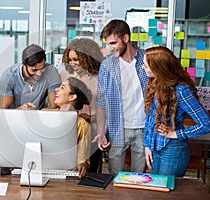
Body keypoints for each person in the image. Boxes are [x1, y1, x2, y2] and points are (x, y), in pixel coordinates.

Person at [143, 46, 210, 177]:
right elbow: (150, 119)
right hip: (155, 147)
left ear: (159, 68)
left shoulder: (181, 90)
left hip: (173, 150)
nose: (142, 68)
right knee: (155, 191)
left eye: (146, 65)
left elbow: (206, 124)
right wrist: (148, 145)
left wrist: (177, 134)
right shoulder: (154, 83)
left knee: (166, 194)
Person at [92, 19, 148, 175]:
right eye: (108, 44)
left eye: (113, 43)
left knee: (140, 177)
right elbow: (101, 102)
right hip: (118, 128)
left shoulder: (147, 60)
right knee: (114, 176)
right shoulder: (107, 66)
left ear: (125, 38)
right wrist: (102, 131)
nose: (110, 48)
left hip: (145, 128)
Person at [60, 38, 104, 173]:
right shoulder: (64, 75)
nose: (72, 63)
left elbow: (102, 105)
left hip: (93, 127)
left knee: (90, 167)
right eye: (70, 59)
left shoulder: (99, 77)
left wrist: (94, 121)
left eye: (76, 59)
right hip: (70, 128)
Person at [44, 77, 92, 178]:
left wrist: (83, 166)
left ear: (72, 97)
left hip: (64, 176)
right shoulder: (44, 114)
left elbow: (82, 159)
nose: (56, 89)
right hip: (39, 172)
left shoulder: (82, 125)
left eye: (62, 87)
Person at [0, 44, 61, 109]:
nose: (39, 74)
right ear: (23, 65)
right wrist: (21, 110)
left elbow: (54, 106)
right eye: (34, 70)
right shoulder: (9, 76)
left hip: (40, 115)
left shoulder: (51, 71)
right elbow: (4, 110)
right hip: (15, 115)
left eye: (42, 68)